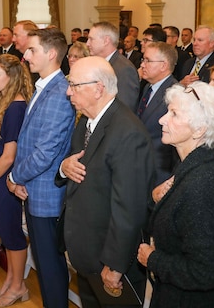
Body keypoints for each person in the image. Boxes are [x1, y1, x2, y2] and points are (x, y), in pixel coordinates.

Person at [60, 56, 154, 306]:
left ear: (98, 88)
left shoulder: (128, 133)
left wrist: (114, 265)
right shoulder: (88, 121)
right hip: (87, 251)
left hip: (109, 257)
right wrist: (63, 167)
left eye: (74, 85)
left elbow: (129, 209)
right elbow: (75, 166)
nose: (68, 91)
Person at [138, 82, 214, 308]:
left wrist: (152, 259)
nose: (162, 120)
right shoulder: (196, 165)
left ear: (199, 129)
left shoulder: (203, 182)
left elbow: (205, 272)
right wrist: (156, 199)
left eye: (174, 114)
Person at [7, 28, 75, 308]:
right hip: (34, 187)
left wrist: (14, 176)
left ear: (51, 54)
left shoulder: (59, 92)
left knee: (50, 266)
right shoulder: (43, 86)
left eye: (32, 50)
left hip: (45, 193)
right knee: (45, 263)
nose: (25, 54)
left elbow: (45, 152)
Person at [0, 54, 33, 306]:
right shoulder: (5, 102)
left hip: (4, 179)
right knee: (5, 234)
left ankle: (19, 286)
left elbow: (9, 156)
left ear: (11, 78)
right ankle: (11, 280)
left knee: (12, 234)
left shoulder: (16, 107)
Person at [138, 42, 179, 185]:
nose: (142, 65)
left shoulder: (175, 92)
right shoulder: (148, 88)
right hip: (145, 166)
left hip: (161, 171)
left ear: (163, 65)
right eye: (143, 60)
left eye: (147, 60)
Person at [87, 21, 140, 112]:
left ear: (106, 41)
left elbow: (125, 109)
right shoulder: (100, 63)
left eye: (91, 39)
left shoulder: (124, 69)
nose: (87, 43)